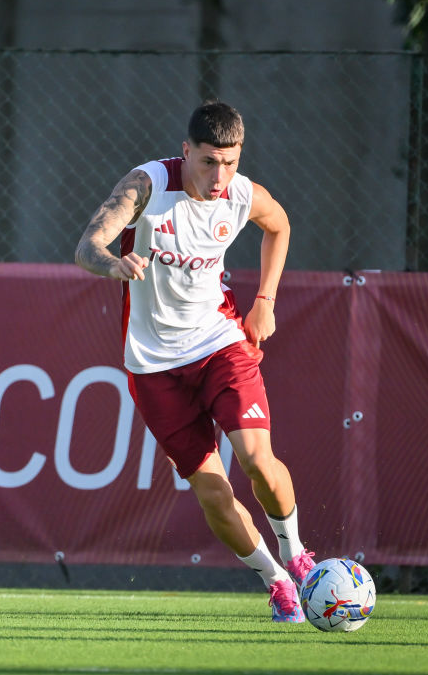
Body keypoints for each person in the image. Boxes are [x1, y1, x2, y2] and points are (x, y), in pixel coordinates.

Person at [74, 101, 314, 622]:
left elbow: (280, 226)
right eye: (208, 162)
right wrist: (115, 263)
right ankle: (277, 583)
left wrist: (266, 300)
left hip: (218, 344)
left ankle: (297, 556)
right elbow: (87, 246)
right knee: (211, 490)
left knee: (255, 460)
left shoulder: (242, 194)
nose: (220, 175)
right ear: (186, 152)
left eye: (230, 162)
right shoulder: (147, 186)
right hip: (153, 366)